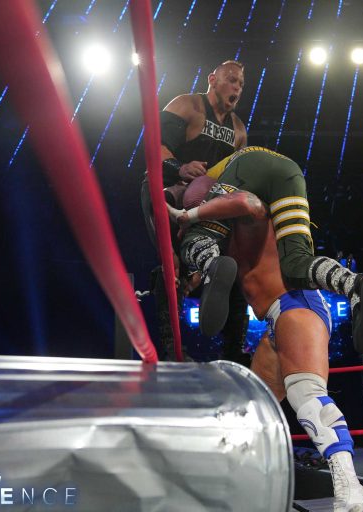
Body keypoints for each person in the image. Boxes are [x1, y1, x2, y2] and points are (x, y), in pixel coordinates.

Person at [172, 177, 363, 511]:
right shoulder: (220, 241)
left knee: (307, 397)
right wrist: (186, 276)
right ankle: (242, 491)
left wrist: (190, 214)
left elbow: (248, 203)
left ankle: (350, 490)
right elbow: (199, 276)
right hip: (276, 318)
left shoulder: (250, 212)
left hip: (297, 305)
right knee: (255, 408)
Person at [170, 146, 363, 354]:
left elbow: (240, 200)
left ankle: (211, 264)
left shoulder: (200, 181)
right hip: (291, 172)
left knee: (196, 234)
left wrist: (188, 216)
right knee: (296, 262)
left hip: (247, 167)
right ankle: (353, 284)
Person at [142, 60, 248, 362]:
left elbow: (236, 175)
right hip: (167, 191)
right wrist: (180, 167)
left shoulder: (238, 130)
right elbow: (154, 146)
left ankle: (234, 351)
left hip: (207, 203)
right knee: (172, 264)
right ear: (212, 79)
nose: (237, 88)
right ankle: (170, 350)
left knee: (231, 265)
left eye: (241, 84)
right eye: (231, 80)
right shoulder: (186, 105)